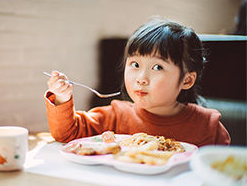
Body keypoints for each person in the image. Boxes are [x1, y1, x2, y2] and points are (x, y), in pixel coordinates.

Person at [44, 19, 230, 147]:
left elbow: (224, 172)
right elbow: (67, 133)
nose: (141, 78)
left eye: (157, 67)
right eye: (135, 64)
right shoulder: (115, 116)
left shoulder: (209, 126)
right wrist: (61, 97)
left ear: (187, 80)